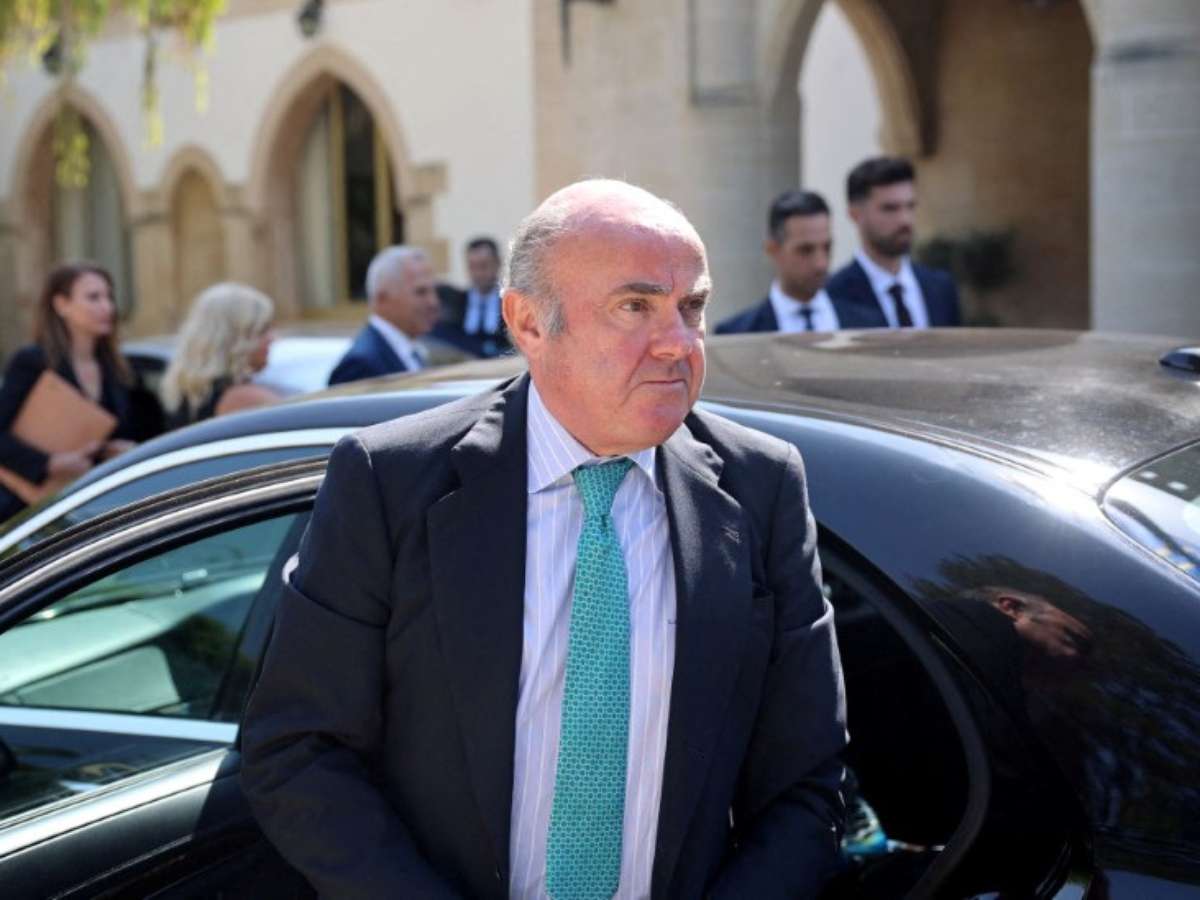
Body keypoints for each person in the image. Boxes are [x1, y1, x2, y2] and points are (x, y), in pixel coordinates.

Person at [240, 178, 848, 899]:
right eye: (635, 306)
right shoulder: (390, 482)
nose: (679, 344)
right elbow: (298, 747)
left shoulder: (761, 487)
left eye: (692, 308)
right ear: (528, 322)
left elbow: (809, 782)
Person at [0, 262, 137, 522]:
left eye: (109, 297)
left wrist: (117, 449)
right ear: (62, 305)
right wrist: (50, 463)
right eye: (93, 297)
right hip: (24, 510)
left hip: (85, 507)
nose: (107, 307)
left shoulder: (114, 367)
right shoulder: (33, 362)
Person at [716, 190, 880, 334]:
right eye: (805, 250)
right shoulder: (737, 334)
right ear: (773, 249)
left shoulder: (870, 326)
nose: (821, 264)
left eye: (827, 248)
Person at [826, 157, 962, 328]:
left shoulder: (941, 287)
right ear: (855, 214)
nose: (905, 220)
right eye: (890, 208)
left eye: (910, 206)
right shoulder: (834, 294)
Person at [159, 282, 281, 429]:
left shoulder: (191, 394)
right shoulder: (242, 399)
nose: (273, 338)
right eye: (262, 330)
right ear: (233, 340)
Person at [328, 245, 440, 385]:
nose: (433, 302)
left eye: (434, 291)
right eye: (420, 292)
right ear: (382, 299)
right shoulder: (361, 365)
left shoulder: (412, 350)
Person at [433, 237, 513, 357]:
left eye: (483, 266)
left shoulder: (510, 304)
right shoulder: (455, 304)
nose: (478, 274)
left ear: (498, 263)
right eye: (473, 267)